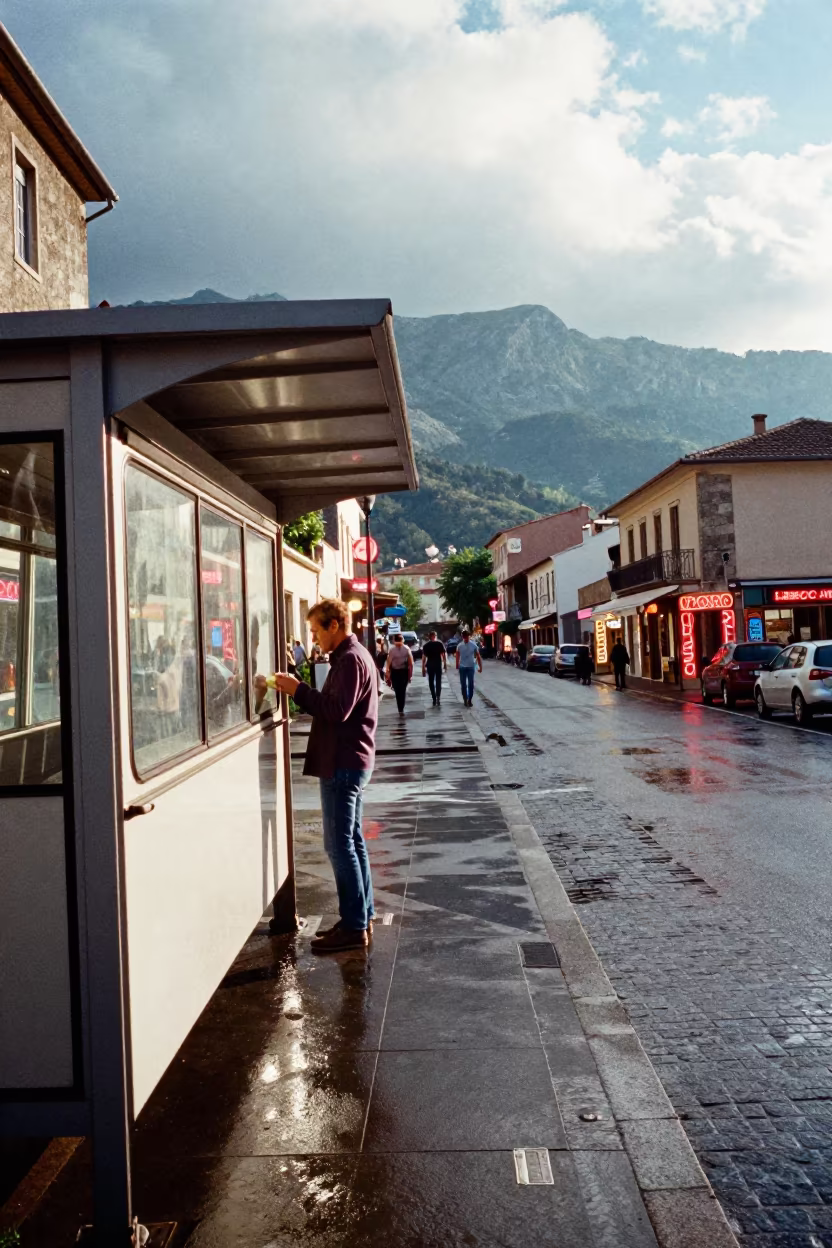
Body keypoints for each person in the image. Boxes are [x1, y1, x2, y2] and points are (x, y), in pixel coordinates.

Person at [272, 598, 377, 954]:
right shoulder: (353, 656)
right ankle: (362, 915)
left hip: (343, 762)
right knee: (354, 841)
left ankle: (354, 926)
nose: (314, 638)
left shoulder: (349, 660)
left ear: (335, 625)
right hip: (351, 760)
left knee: (339, 845)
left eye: (317, 630)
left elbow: (337, 710)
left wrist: (297, 690)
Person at [385, 632, 413, 714]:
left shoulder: (392, 650)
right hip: (403, 672)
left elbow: (388, 663)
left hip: (396, 672)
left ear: (394, 641)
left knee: (398, 691)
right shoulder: (406, 649)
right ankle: (401, 707)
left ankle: (400, 708)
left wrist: (387, 673)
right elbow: (411, 664)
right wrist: (410, 675)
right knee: (401, 690)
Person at [456, 628, 482, 706]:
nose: (466, 638)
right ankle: (465, 699)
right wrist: (457, 664)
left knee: (471, 684)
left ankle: (469, 699)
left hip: (471, 667)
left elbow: (478, 656)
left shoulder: (473, 645)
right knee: (463, 684)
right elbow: (457, 655)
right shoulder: (459, 646)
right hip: (462, 667)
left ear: (469, 636)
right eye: (464, 637)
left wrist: (480, 667)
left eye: (467, 637)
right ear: (462, 637)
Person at [421, 629, 447, 706]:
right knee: (438, 681)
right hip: (438, 664)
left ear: (429, 637)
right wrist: (445, 665)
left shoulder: (426, 645)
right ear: (435, 636)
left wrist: (423, 668)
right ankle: (438, 697)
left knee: (431, 682)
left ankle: (434, 698)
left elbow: (424, 658)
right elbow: (443, 655)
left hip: (430, 665)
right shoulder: (439, 644)